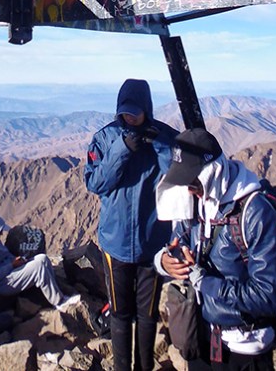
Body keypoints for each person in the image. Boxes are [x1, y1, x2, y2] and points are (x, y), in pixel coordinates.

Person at [154, 128, 276, 370]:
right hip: (202, 336)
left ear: (210, 173)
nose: (188, 188)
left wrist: (206, 283)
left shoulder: (254, 212)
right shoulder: (196, 201)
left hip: (244, 348)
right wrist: (164, 261)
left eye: (192, 180)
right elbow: (178, 241)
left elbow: (268, 297)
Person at [84, 78, 178, 371]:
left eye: (134, 112)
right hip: (116, 243)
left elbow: (177, 181)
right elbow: (96, 183)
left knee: (148, 314)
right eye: (124, 111)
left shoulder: (165, 137)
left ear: (146, 110)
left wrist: (159, 145)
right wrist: (123, 148)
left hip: (153, 244)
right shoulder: (105, 139)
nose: (129, 117)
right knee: (121, 313)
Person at [0, 213, 79, 310]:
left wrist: (19, 260)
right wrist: (12, 265)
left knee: (43, 258)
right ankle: (59, 302)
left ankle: (58, 292)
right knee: (39, 267)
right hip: (2, 284)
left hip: (9, 272)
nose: (1, 234)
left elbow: (5, 255)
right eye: (0, 230)